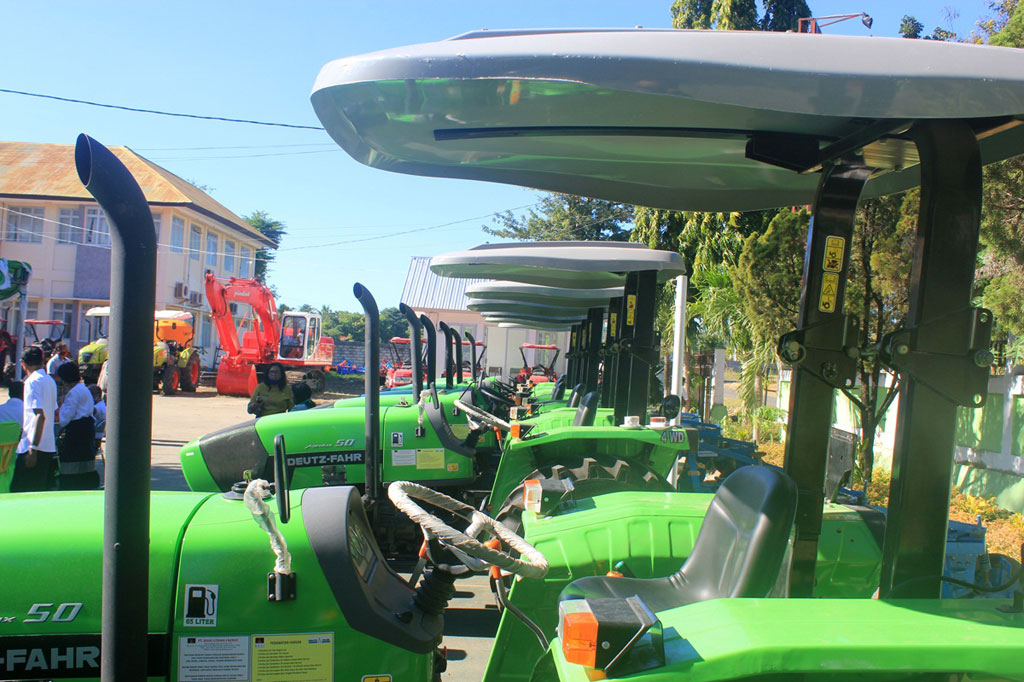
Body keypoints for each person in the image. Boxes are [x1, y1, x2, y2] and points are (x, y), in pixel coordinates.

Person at [9, 346, 57, 492]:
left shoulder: (32, 382)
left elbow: (39, 415)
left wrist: (33, 449)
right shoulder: (50, 380)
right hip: (48, 445)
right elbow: (53, 411)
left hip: (33, 447)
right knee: (38, 492)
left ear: (23, 363)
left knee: (19, 491)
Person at [55, 362, 98, 490]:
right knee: (86, 458)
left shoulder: (73, 393)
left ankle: (71, 484)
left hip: (76, 429)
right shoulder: (84, 389)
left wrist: (59, 409)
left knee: (73, 460)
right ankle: (87, 482)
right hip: (87, 426)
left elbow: (65, 417)